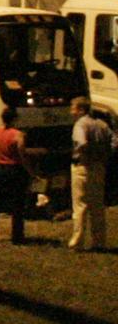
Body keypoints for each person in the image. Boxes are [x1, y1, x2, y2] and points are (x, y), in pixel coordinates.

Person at [68, 96, 116, 251]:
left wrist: (87, 154)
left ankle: (77, 241)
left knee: (80, 205)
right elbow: (114, 141)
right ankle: (99, 241)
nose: (71, 111)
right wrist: (105, 154)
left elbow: (82, 143)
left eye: (73, 108)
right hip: (99, 167)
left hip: (83, 167)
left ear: (81, 110)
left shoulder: (80, 125)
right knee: (97, 206)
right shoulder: (101, 124)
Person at [0, 106, 30, 244]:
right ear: (15, 119)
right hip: (14, 169)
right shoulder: (18, 135)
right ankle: (17, 237)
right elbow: (22, 155)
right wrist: (31, 171)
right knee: (17, 204)